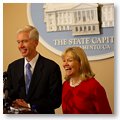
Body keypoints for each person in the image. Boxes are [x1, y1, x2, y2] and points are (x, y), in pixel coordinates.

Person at [4, 25, 62, 114]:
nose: (20, 46)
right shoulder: (13, 67)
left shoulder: (51, 67)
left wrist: (30, 105)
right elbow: (10, 95)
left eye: (24, 41)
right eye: (18, 42)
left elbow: (55, 100)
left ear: (36, 42)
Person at [61, 47, 112, 114]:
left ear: (80, 63)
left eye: (70, 60)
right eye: (64, 61)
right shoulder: (65, 85)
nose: (65, 64)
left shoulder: (93, 86)